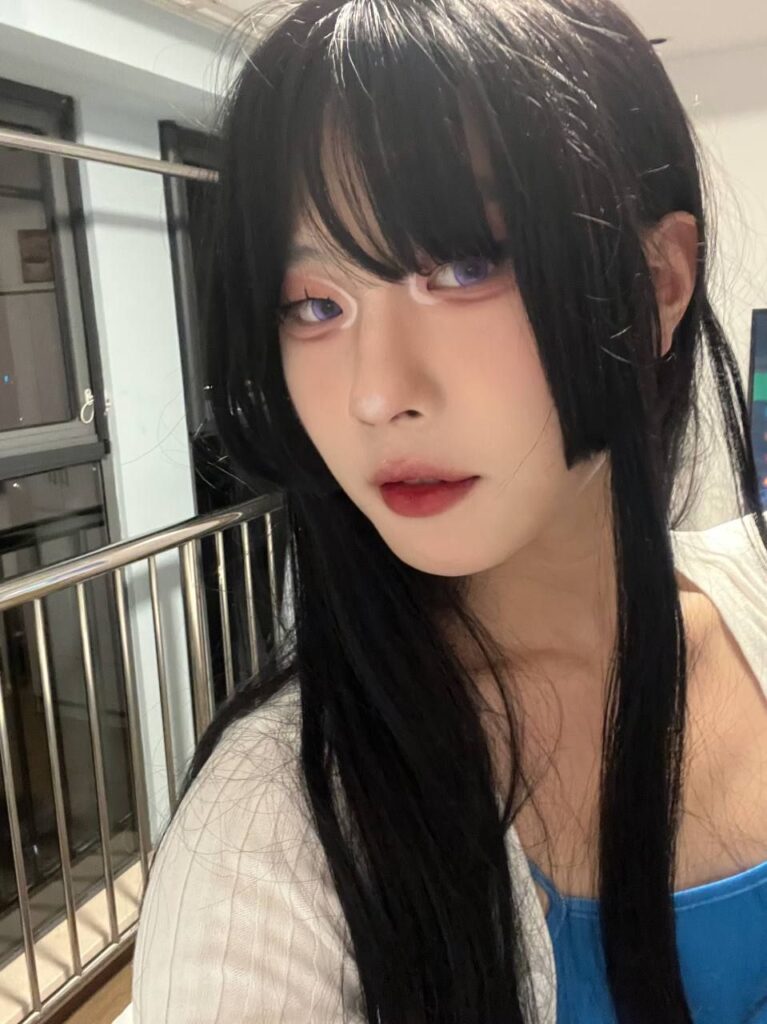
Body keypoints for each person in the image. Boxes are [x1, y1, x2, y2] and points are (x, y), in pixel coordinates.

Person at [131, 1, 767, 1021]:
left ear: (655, 281)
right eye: (314, 305)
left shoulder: (752, 593)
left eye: (464, 267)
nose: (377, 393)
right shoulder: (267, 834)